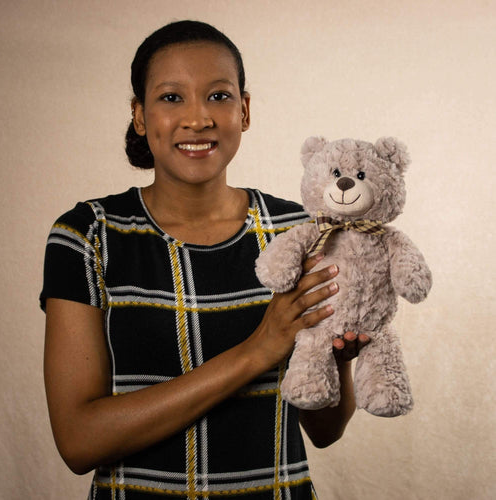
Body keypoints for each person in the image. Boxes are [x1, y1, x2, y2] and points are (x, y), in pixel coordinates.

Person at [41, 20, 370, 499]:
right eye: (172, 97)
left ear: (245, 109)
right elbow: (78, 440)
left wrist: (338, 361)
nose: (198, 118)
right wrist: (258, 349)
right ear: (138, 114)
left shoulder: (300, 233)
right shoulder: (88, 236)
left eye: (218, 96)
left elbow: (323, 430)